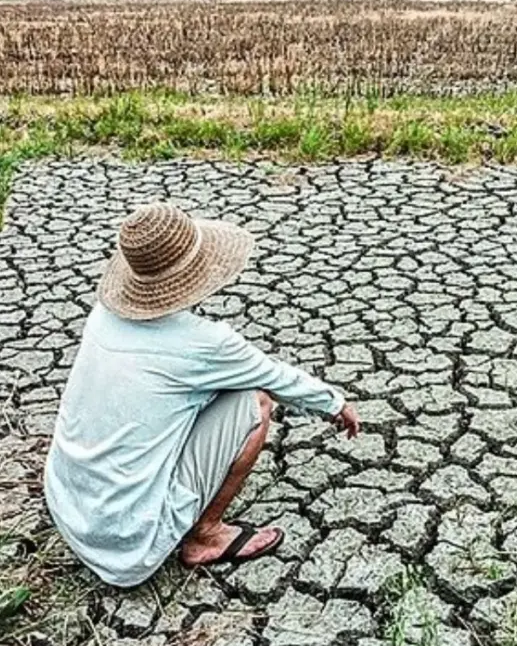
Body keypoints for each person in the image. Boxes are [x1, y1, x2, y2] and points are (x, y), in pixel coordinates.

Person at [43, 203, 360, 587]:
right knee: (254, 401)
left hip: (70, 509)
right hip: (128, 546)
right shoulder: (204, 343)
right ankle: (206, 535)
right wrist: (335, 404)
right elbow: (275, 378)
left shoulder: (102, 316)